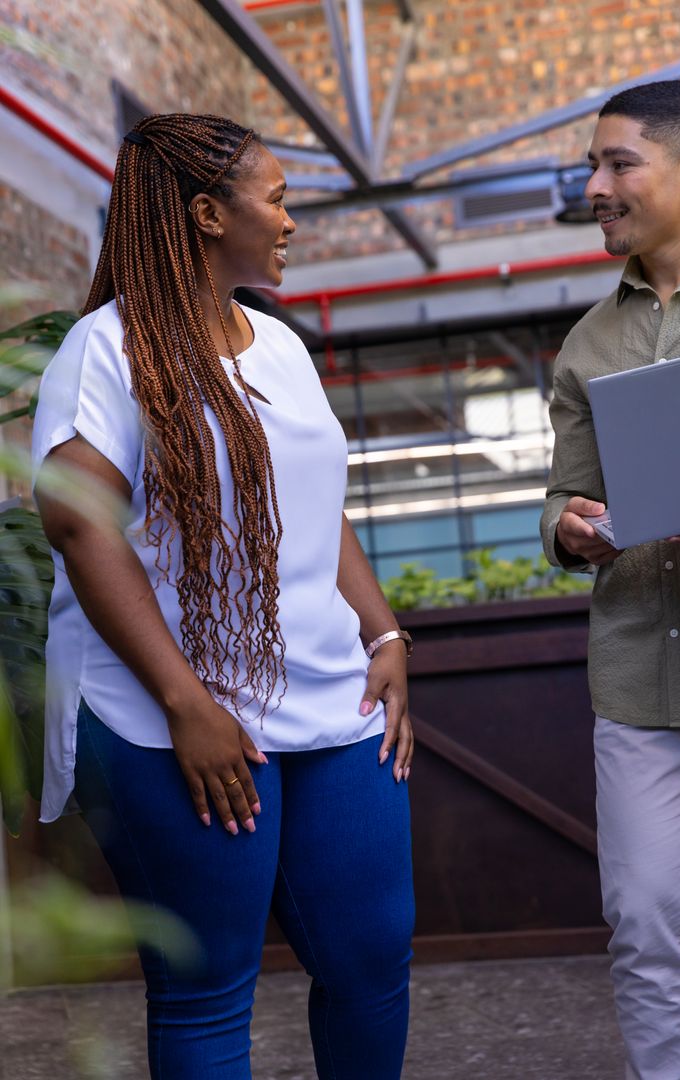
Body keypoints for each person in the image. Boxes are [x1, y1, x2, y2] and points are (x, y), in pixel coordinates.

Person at [31, 113, 415, 1080]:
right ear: (208, 214)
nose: (291, 221)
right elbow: (80, 526)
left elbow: (313, 506)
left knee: (372, 960)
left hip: (326, 696)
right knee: (208, 991)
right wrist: (186, 703)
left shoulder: (280, 347)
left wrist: (384, 632)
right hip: (166, 712)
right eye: (277, 200)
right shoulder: (105, 349)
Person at [540, 80, 680, 1080]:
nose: (596, 187)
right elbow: (564, 496)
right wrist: (569, 529)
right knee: (645, 928)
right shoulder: (587, 344)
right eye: (593, 166)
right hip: (640, 683)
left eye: (618, 164)